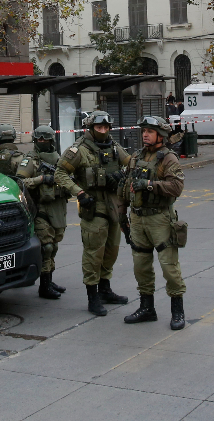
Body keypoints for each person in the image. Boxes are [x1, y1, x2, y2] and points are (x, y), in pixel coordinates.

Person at [55, 110, 132, 316]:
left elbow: (131, 164)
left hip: (113, 206)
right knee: (93, 253)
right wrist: (79, 193)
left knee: (111, 250)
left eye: (106, 127)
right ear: (90, 128)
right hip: (93, 206)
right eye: (99, 127)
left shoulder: (114, 146)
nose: (103, 131)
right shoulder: (78, 149)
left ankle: (105, 290)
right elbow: (60, 173)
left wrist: (121, 176)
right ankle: (93, 296)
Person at [121, 117, 187, 330]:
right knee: (141, 266)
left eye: (150, 131)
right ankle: (147, 308)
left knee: (169, 267)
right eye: (144, 131)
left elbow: (176, 187)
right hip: (138, 218)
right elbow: (126, 188)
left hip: (160, 219)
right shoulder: (137, 157)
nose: (145, 135)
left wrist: (149, 184)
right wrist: (123, 217)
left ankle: (177, 311)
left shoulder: (168, 159)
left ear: (161, 135)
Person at [15, 126, 71, 299]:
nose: (42, 142)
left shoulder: (58, 159)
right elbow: (20, 182)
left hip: (58, 207)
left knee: (53, 246)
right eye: (39, 139)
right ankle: (44, 285)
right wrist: (41, 179)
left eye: (45, 139)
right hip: (41, 208)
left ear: (51, 140)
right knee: (46, 247)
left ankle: (49, 279)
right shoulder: (31, 160)